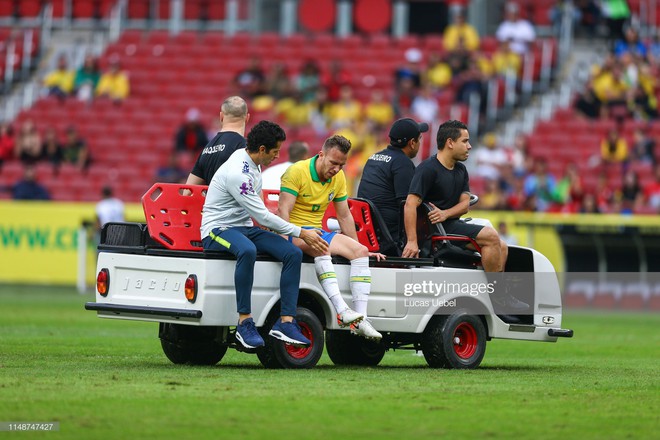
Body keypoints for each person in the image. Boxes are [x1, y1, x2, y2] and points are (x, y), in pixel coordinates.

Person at [201, 120, 328, 349]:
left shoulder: (252, 161)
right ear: (262, 150)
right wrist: (303, 233)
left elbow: (259, 210)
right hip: (216, 229)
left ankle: (286, 323)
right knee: (247, 250)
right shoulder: (237, 173)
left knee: (291, 253)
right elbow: (263, 217)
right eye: (275, 151)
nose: (278, 156)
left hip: (244, 227)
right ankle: (244, 323)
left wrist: (283, 231)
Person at [401, 120, 528, 320]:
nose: (469, 146)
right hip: (436, 233)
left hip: (450, 224)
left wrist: (445, 213)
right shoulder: (427, 168)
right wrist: (412, 241)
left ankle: (495, 298)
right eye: (465, 141)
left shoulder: (461, 170)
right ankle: (499, 297)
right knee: (491, 235)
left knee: (502, 246)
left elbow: (465, 205)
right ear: (450, 142)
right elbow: (410, 204)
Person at [278, 135, 384, 341]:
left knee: (360, 252)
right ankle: (342, 310)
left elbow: (344, 215)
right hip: (294, 231)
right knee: (321, 245)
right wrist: (284, 242)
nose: (336, 169)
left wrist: (356, 244)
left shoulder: (338, 177)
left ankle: (361, 320)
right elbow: (283, 210)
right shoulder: (297, 172)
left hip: (317, 231)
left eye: (341, 165)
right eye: (333, 163)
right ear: (321, 155)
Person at [357, 118, 428, 253]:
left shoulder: (373, 158)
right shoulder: (403, 163)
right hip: (390, 239)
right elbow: (407, 205)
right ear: (412, 143)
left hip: (368, 233)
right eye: (419, 139)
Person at [186, 96, 249, 186]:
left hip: (210, 200)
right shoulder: (246, 148)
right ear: (247, 118)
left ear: (221, 117)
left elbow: (187, 191)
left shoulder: (207, 149)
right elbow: (252, 187)